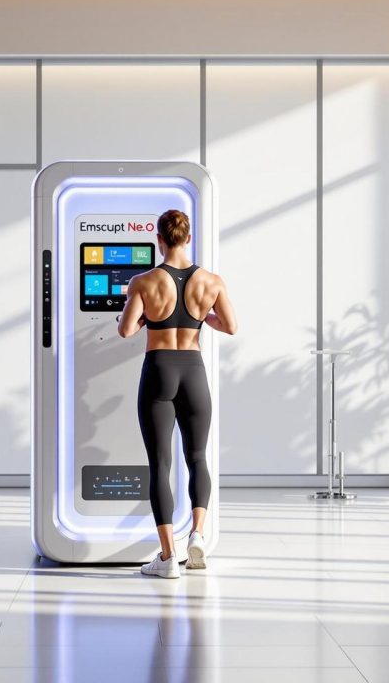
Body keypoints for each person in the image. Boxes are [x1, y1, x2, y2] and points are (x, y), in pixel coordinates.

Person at [118, 209, 237, 579]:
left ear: (160, 240)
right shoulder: (212, 282)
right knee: (197, 457)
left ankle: (168, 557)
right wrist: (202, 317)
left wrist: (146, 319)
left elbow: (125, 330)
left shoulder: (144, 280)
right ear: (187, 238)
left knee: (160, 464)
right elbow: (230, 326)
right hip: (193, 370)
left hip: (158, 369)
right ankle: (197, 535)